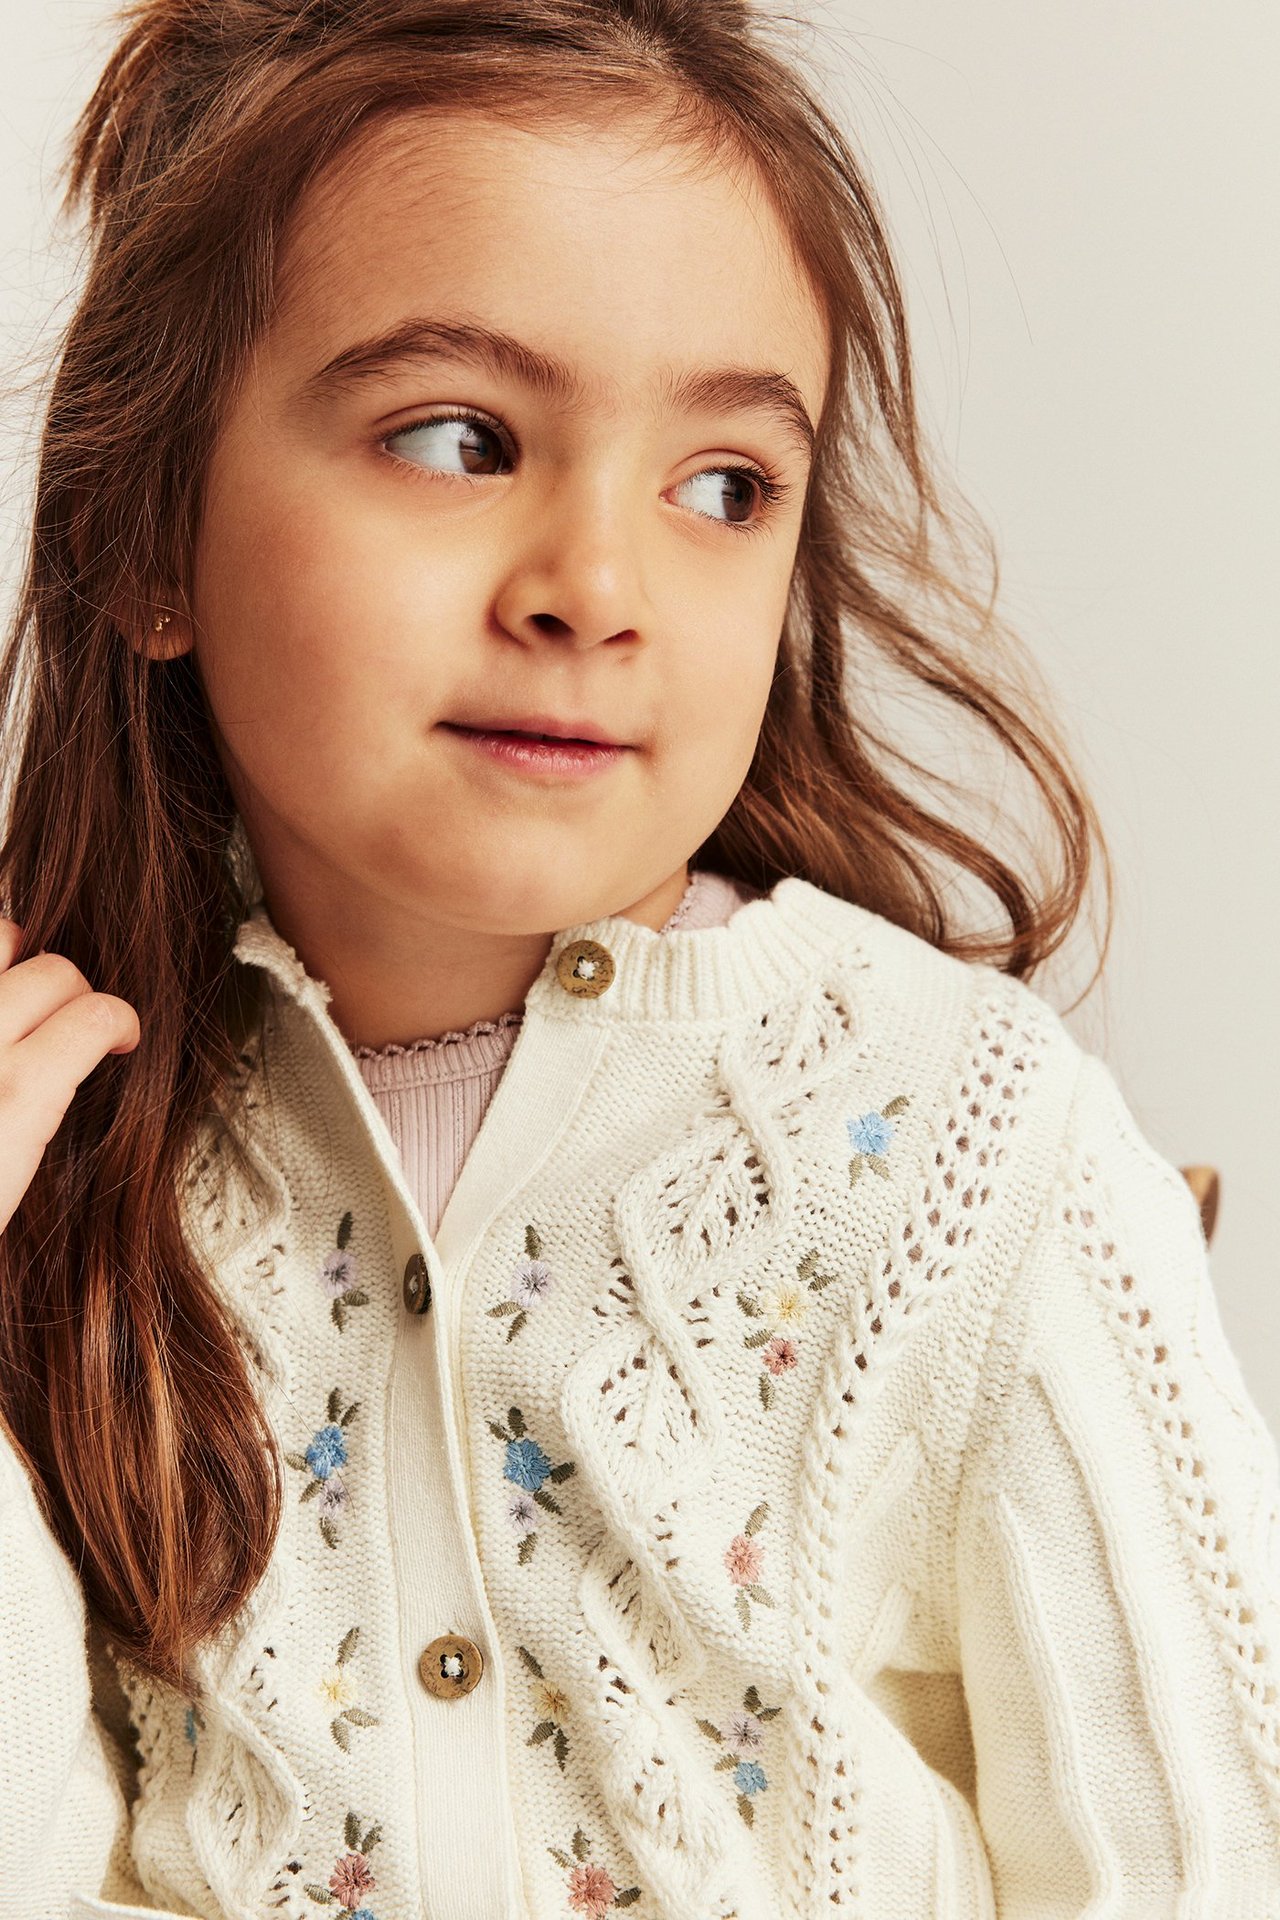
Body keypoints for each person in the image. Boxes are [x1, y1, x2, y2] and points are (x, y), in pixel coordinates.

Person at [0, 0, 1277, 1913]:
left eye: (723, 488)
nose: (597, 589)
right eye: (456, 438)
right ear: (141, 531)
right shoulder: (68, 1152)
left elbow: (1204, 1857)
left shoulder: (963, 1147)